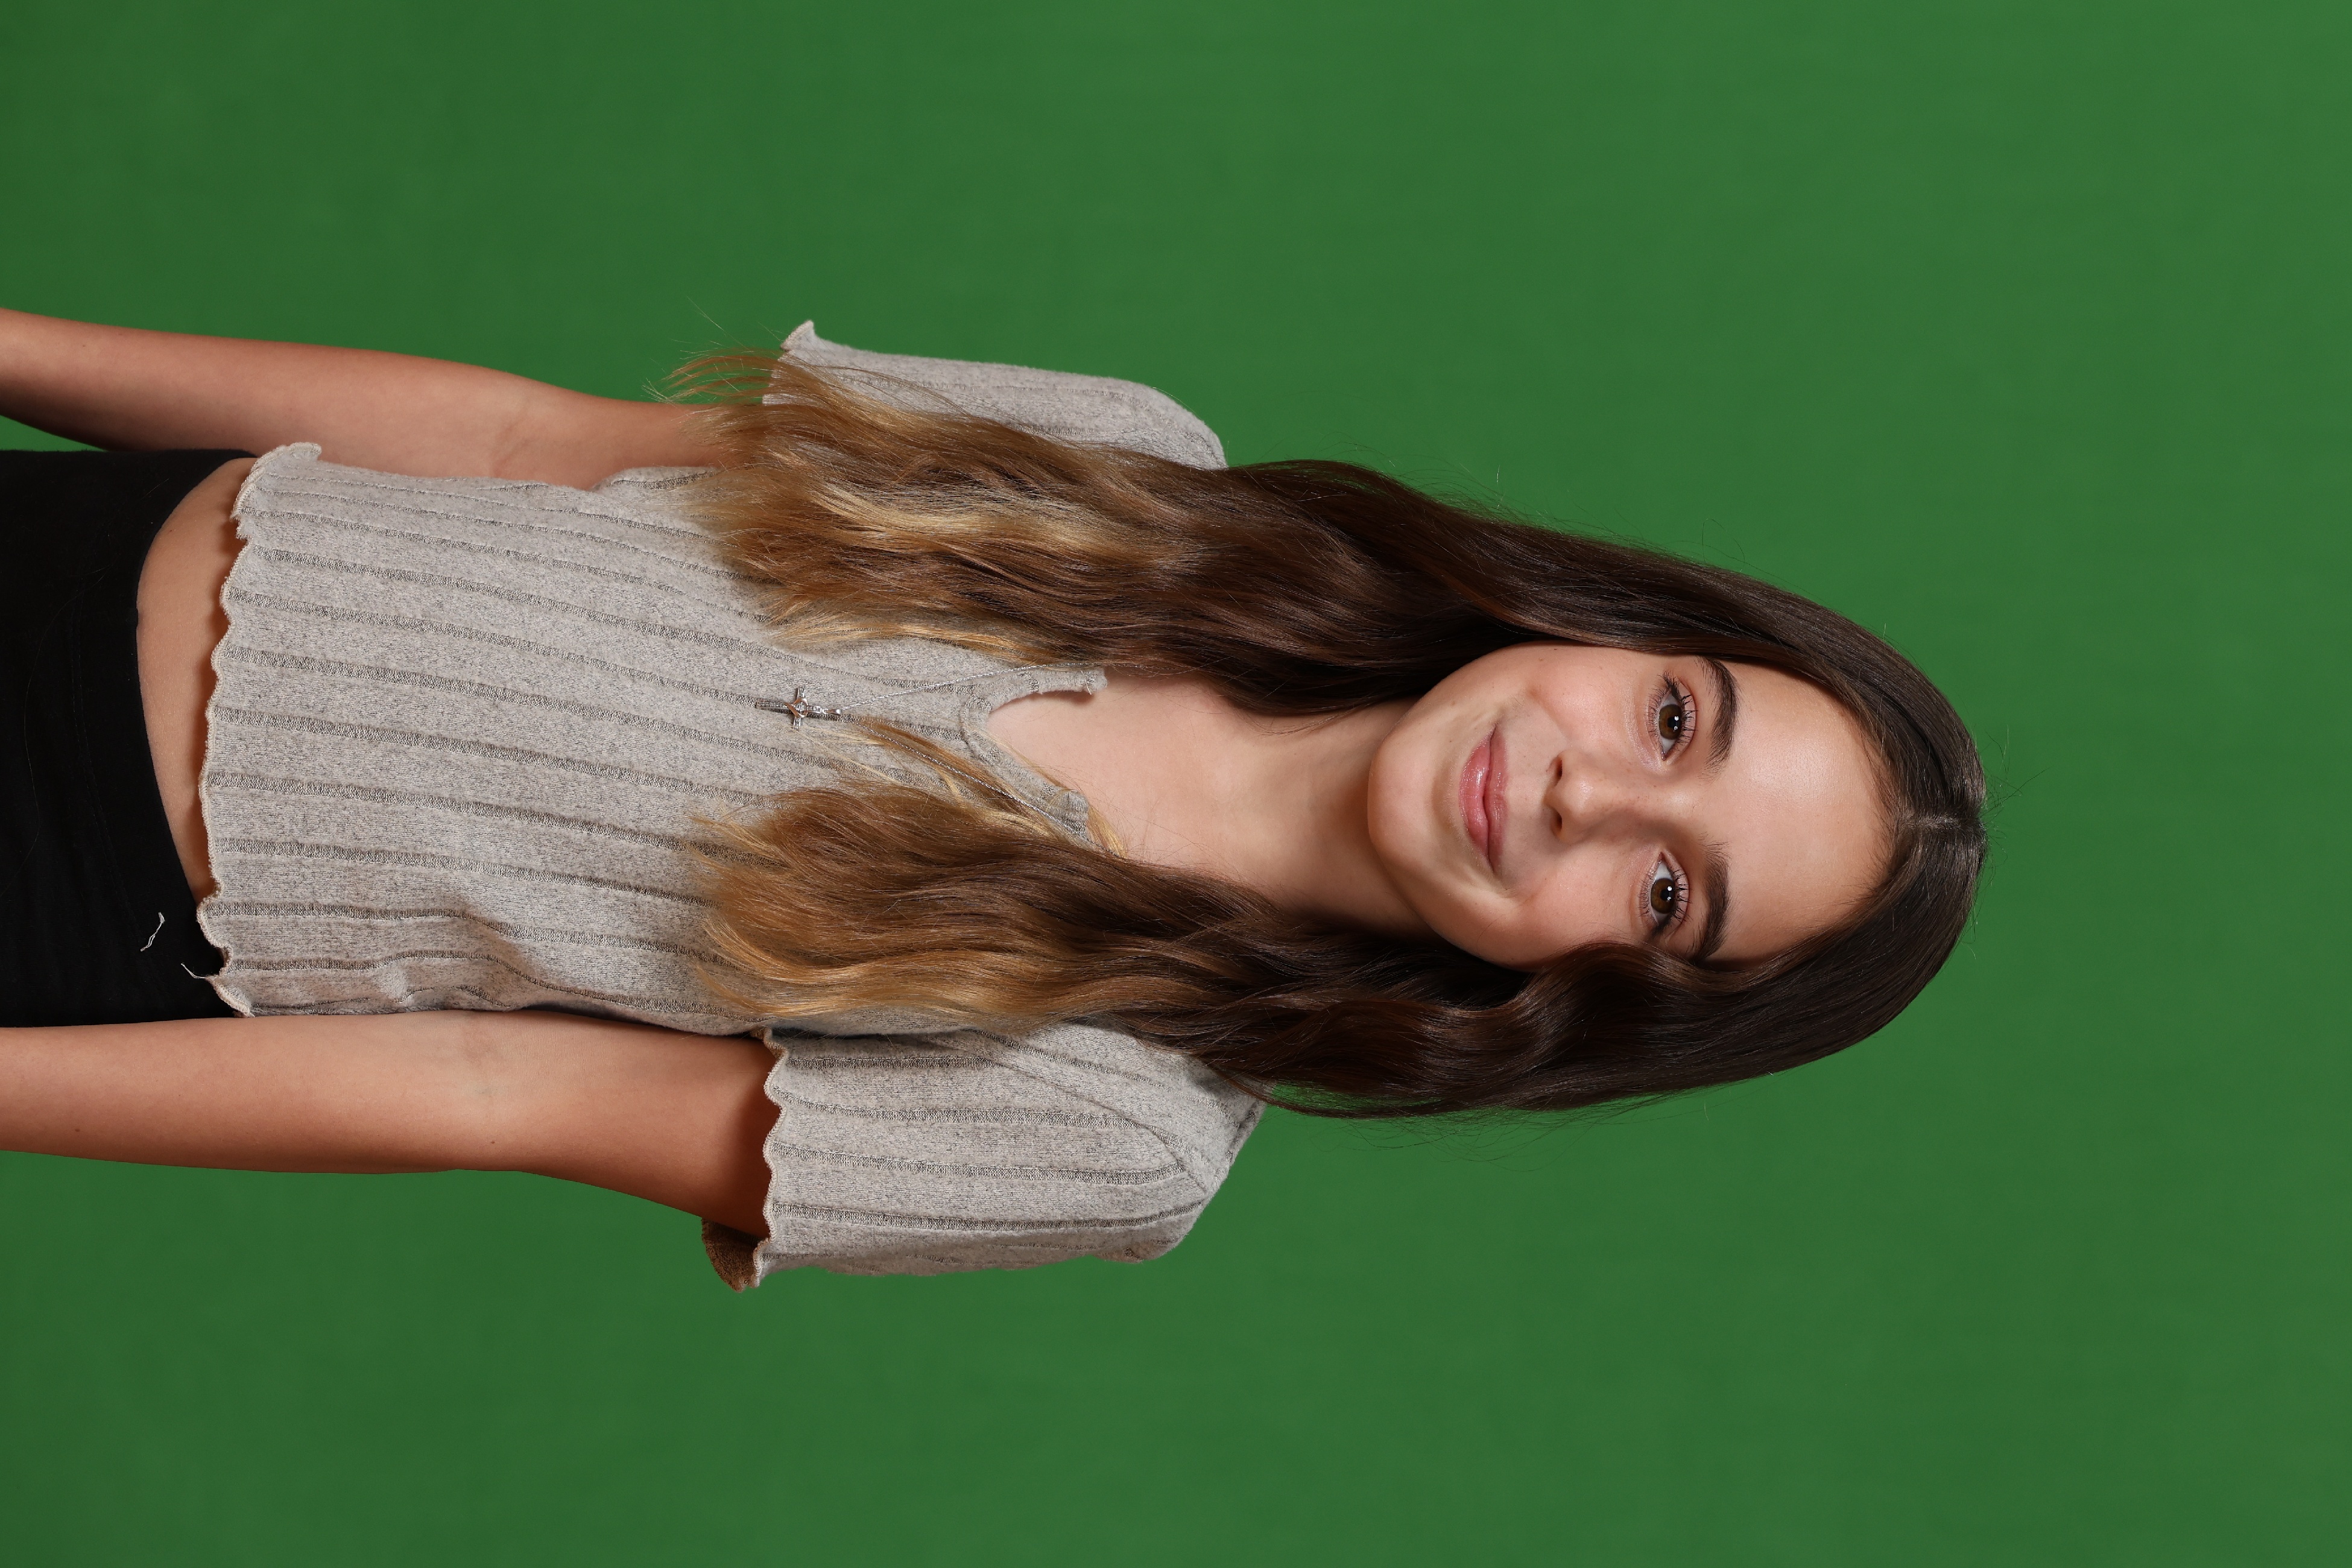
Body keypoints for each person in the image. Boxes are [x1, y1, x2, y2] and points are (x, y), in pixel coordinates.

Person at [0, 308, 1985, 1284]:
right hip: (86, 536)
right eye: (1672, 723)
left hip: (76, 880)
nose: (1582, 800)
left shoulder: (1117, 1131)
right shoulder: (1140, 469)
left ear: (1604, 999)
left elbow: (485, 1094)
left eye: (1667, 896)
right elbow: (528, 440)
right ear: (1617, 629)